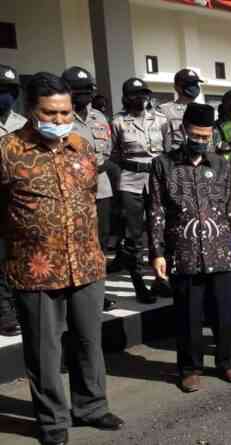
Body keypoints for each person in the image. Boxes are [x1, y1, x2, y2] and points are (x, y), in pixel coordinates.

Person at [1, 72, 124, 445]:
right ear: (30, 110)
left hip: (86, 263)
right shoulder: (8, 151)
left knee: (88, 342)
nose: (59, 120)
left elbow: (90, 197)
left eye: (65, 113)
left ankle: (91, 407)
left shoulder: (81, 147)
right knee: (44, 350)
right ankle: (52, 421)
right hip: (35, 269)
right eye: (50, 113)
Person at [148, 103, 231, 393]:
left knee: (224, 313)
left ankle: (227, 361)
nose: (201, 141)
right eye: (196, 135)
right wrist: (157, 252)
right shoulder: (163, 165)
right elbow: (156, 211)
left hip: (221, 249)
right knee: (188, 316)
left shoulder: (221, 164)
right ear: (183, 131)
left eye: (206, 136)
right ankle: (190, 369)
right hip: (184, 252)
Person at [61, 66, 117, 312]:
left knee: (99, 244)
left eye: (87, 90)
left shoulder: (100, 118)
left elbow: (108, 150)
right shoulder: (60, 117)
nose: (84, 94)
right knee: (75, 242)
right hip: (72, 190)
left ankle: (97, 291)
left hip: (101, 188)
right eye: (78, 90)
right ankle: (74, 293)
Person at [109, 78, 168, 304]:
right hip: (130, 181)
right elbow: (113, 154)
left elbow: (167, 150)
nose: (140, 98)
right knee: (133, 235)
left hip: (156, 179)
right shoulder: (118, 122)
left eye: (143, 94)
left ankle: (160, 278)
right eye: (135, 94)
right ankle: (138, 282)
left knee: (159, 229)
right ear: (125, 97)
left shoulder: (160, 120)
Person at [0, 64, 26, 337]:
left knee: (17, 253)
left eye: (8, 90)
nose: (4, 96)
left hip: (18, 199)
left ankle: (16, 302)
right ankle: (4, 310)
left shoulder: (22, 123)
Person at [158, 68, 203, 152]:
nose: (194, 87)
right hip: (174, 158)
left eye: (196, 84)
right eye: (190, 84)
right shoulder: (164, 111)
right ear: (177, 87)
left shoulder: (203, 111)